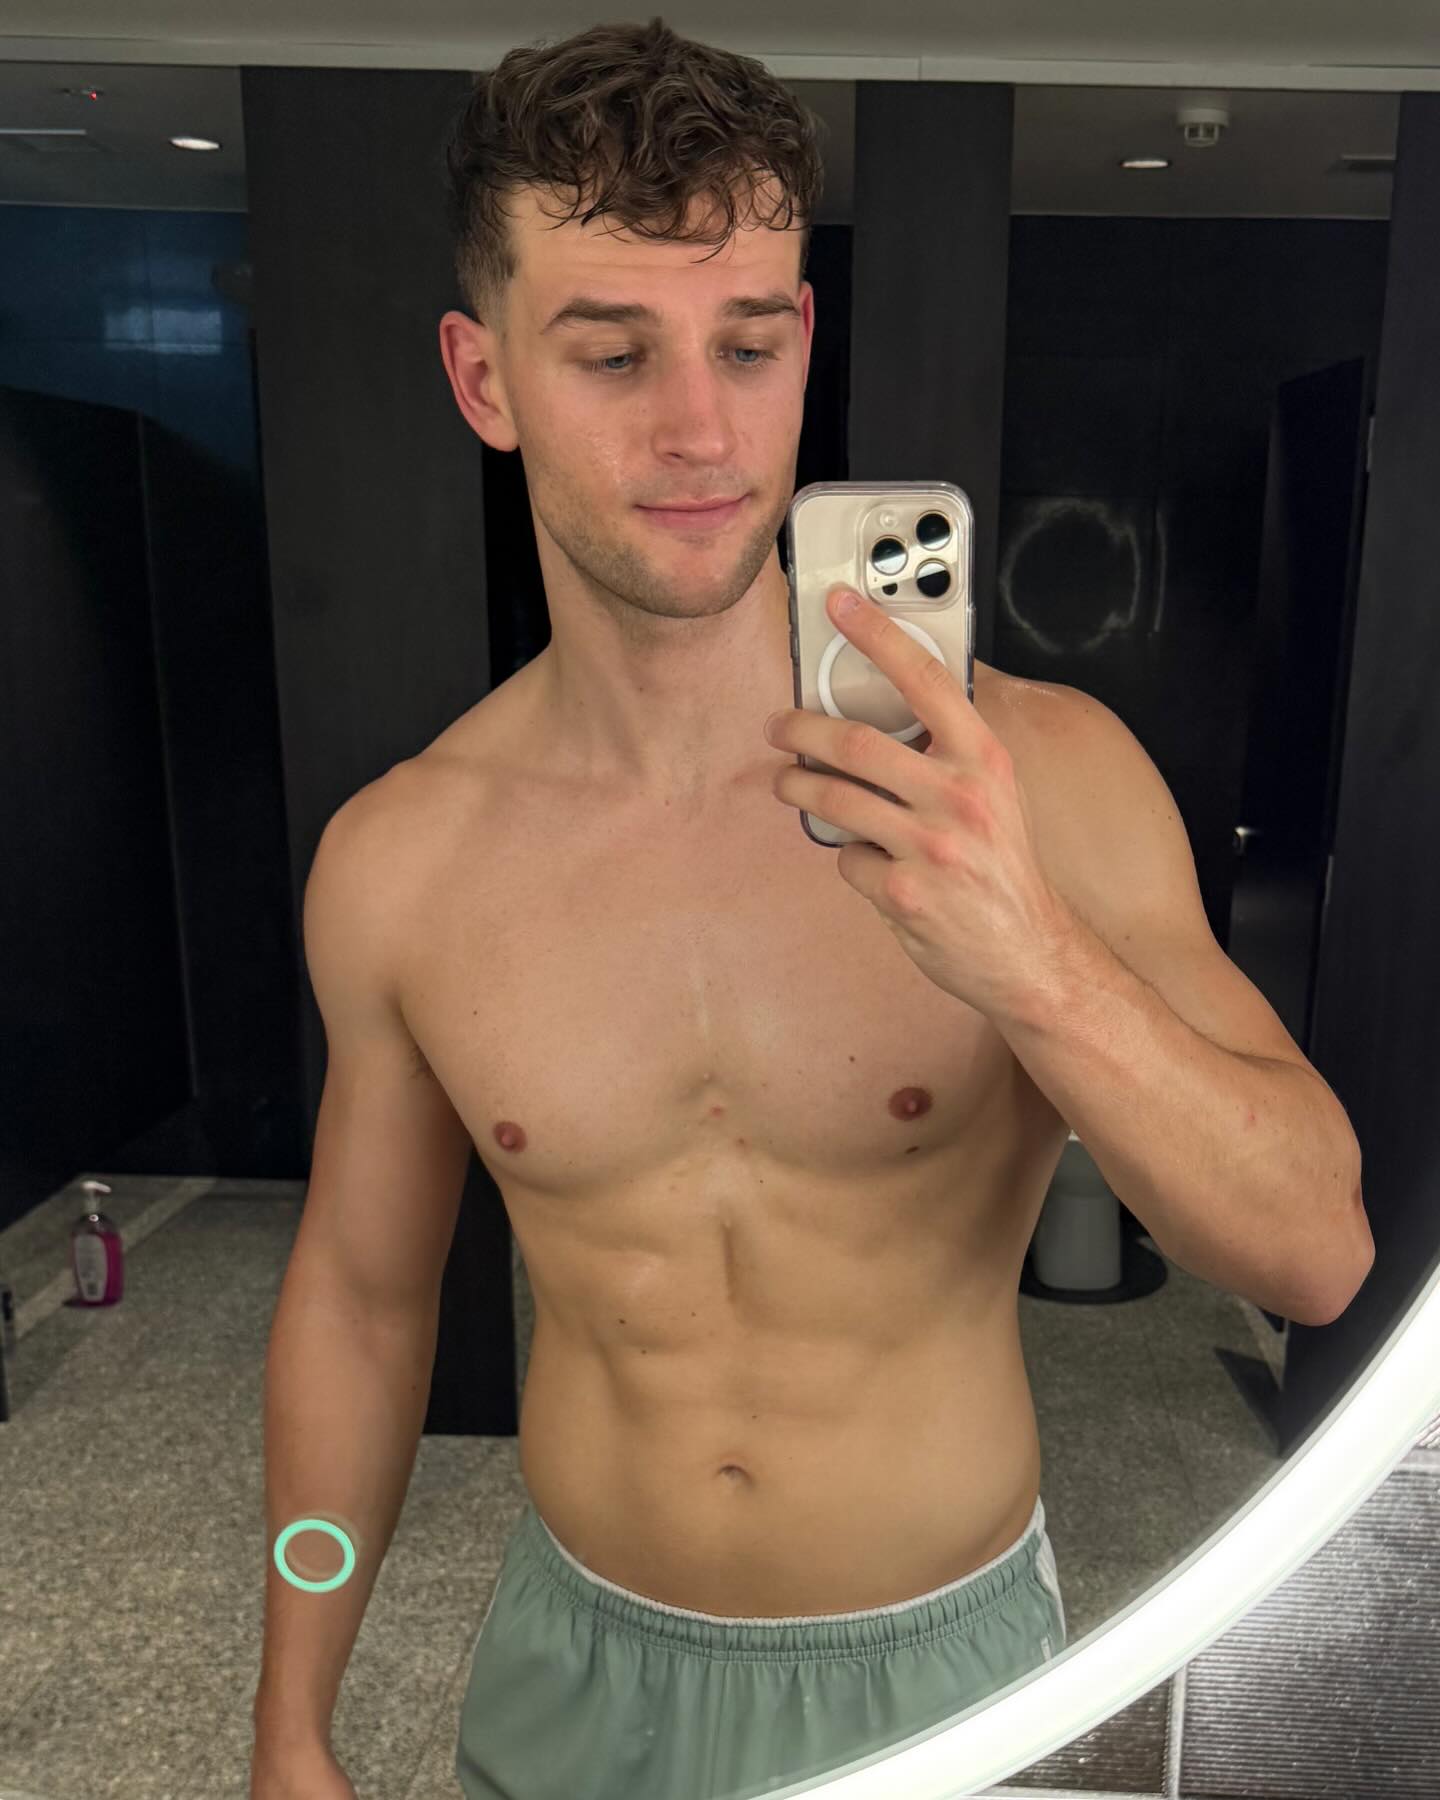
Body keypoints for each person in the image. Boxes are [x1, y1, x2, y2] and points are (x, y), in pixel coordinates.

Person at [250, 17, 1372, 1800]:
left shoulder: (1041, 777)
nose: (701, 429)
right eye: (613, 353)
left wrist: (1031, 954)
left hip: (942, 1677)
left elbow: (1315, 1248)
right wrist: (292, 1714)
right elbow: (365, 1302)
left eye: (748, 344)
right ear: (484, 379)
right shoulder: (404, 859)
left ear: (802, 346)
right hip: (575, 1670)